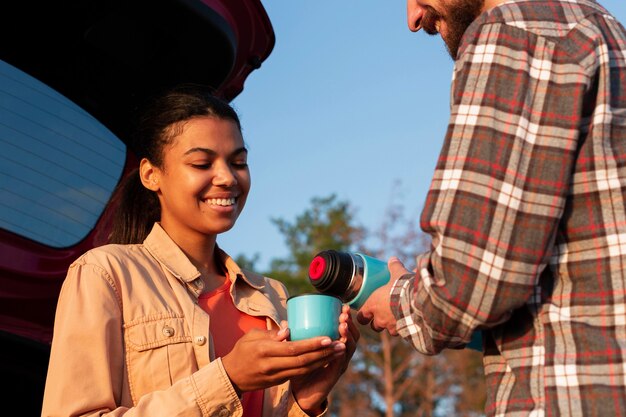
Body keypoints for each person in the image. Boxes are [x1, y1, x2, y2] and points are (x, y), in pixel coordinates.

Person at [357, 0, 626, 415]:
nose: (413, 18)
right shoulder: (604, 32)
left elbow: (473, 280)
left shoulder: (515, 32)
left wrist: (400, 303)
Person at [41, 85, 359, 417]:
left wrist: (303, 402)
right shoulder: (106, 273)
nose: (226, 177)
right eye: (202, 163)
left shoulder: (272, 296)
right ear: (152, 175)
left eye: (238, 162)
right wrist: (228, 379)